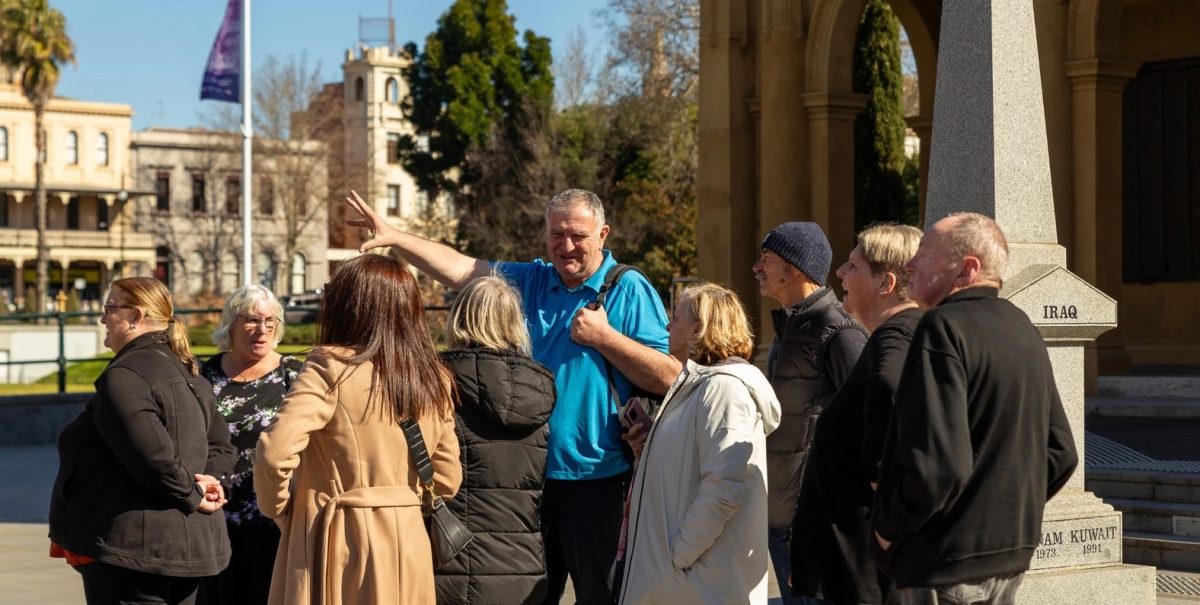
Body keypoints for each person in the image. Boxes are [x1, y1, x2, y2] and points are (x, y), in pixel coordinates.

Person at [346, 188, 677, 604]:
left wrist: (606, 338)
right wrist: (396, 236)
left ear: (603, 234)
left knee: (602, 595)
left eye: (578, 235)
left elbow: (669, 376)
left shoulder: (628, 287)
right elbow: (461, 269)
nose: (566, 246)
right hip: (529, 482)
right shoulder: (532, 279)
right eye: (556, 234)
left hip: (599, 481)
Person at [871, 213, 1079, 604]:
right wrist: (1004, 515)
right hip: (1007, 556)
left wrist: (888, 526)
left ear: (967, 268)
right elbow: (1061, 452)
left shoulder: (941, 328)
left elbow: (938, 465)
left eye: (925, 253)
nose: (910, 264)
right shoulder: (1023, 328)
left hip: (942, 561)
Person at [253, 254, 462, 604]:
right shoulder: (434, 376)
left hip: (339, 541)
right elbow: (447, 478)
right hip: (409, 542)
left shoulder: (330, 366)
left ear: (349, 305)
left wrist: (282, 510)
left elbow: (274, 455)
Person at [48, 276, 234, 604]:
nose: (104, 318)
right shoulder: (186, 371)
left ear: (135, 316)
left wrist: (195, 493)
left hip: (135, 554)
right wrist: (211, 482)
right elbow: (220, 447)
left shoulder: (127, 376)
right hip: (181, 550)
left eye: (110, 308)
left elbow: (152, 458)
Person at [616, 283, 780, 604]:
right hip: (683, 582)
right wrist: (650, 446)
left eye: (675, 317)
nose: (667, 326)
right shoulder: (696, 387)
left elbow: (724, 486)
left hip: (698, 585)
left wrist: (679, 557)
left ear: (699, 328)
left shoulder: (723, 389)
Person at [789, 224, 922, 604]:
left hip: (860, 571)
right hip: (853, 566)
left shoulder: (895, 336)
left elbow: (889, 390)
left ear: (887, 283)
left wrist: (889, 508)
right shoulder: (900, 334)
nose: (840, 275)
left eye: (853, 266)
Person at [753, 221, 867, 600]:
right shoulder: (793, 326)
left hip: (807, 520)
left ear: (796, 269)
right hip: (782, 517)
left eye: (767, 259)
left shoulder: (838, 331)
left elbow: (866, 424)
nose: (757, 268)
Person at [435, 276, 557, 604]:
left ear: (459, 319)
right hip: (523, 567)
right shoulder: (540, 391)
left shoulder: (436, 386)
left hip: (449, 566)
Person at [197, 285, 304, 605]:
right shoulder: (205, 376)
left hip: (276, 516)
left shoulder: (294, 375)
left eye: (270, 321)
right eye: (253, 320)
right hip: (217, 515)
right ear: (231, 323)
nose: (263, 330)